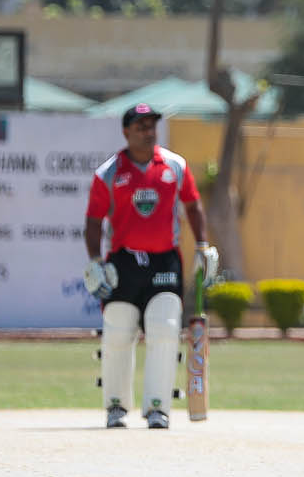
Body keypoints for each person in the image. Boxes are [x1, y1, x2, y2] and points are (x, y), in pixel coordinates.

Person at [82, 102, 217, 430]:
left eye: (151, 125)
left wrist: (202, 245)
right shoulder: (108, 173)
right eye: (140, 126)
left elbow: (193, 205)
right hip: (123, 261)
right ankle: (116, 406)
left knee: (165, 329)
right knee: (117, 331)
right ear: (126, 131)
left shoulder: (175, 165)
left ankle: (158, 407)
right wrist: (96, 261)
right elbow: (94, 222)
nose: (148, 131)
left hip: (164, 260)